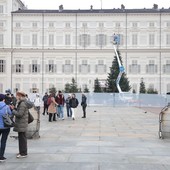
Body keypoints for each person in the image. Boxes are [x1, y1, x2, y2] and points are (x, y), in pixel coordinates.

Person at [12, 91, 34, 158]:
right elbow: (20, 112)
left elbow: (19, 114)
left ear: (20, 96)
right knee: (22, 138)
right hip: (22, 123)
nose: (16, 97)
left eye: (17, 96)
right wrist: (15, 108)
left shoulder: (22, 104)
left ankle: (23, 153)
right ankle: (22, 152)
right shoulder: (22, 103)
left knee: (22, 139)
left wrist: (13, 110)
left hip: (22, 124)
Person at [0, 94, 12, 162]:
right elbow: (10, 114)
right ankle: (1, 156)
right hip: (5, 126)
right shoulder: (6, 107)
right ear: (4, 99)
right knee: (3, 141)